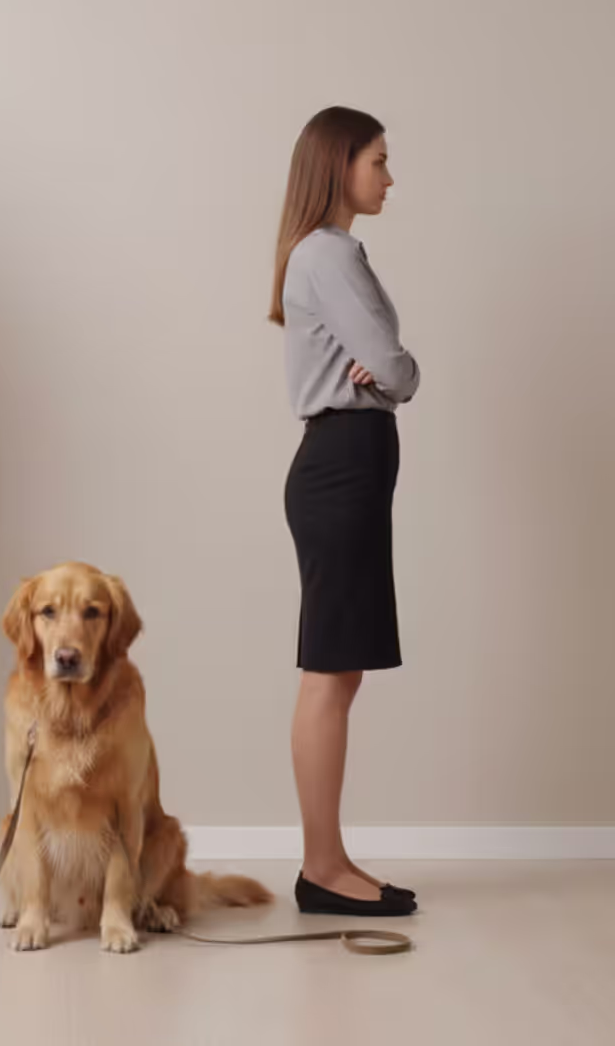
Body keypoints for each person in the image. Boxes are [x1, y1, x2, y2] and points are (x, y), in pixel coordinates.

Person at [271, 106, 421, 917]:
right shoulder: (330, 256)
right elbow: (394, 369)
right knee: (330, 670)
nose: (390, 178)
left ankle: (328, 860)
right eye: (380, 161)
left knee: (340, 667)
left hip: (345, 469)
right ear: (341, 166)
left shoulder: (326, 253)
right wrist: (402, 370)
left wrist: (393, 370)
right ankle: (322, 868)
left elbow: (388, 368)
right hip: (340, 469)